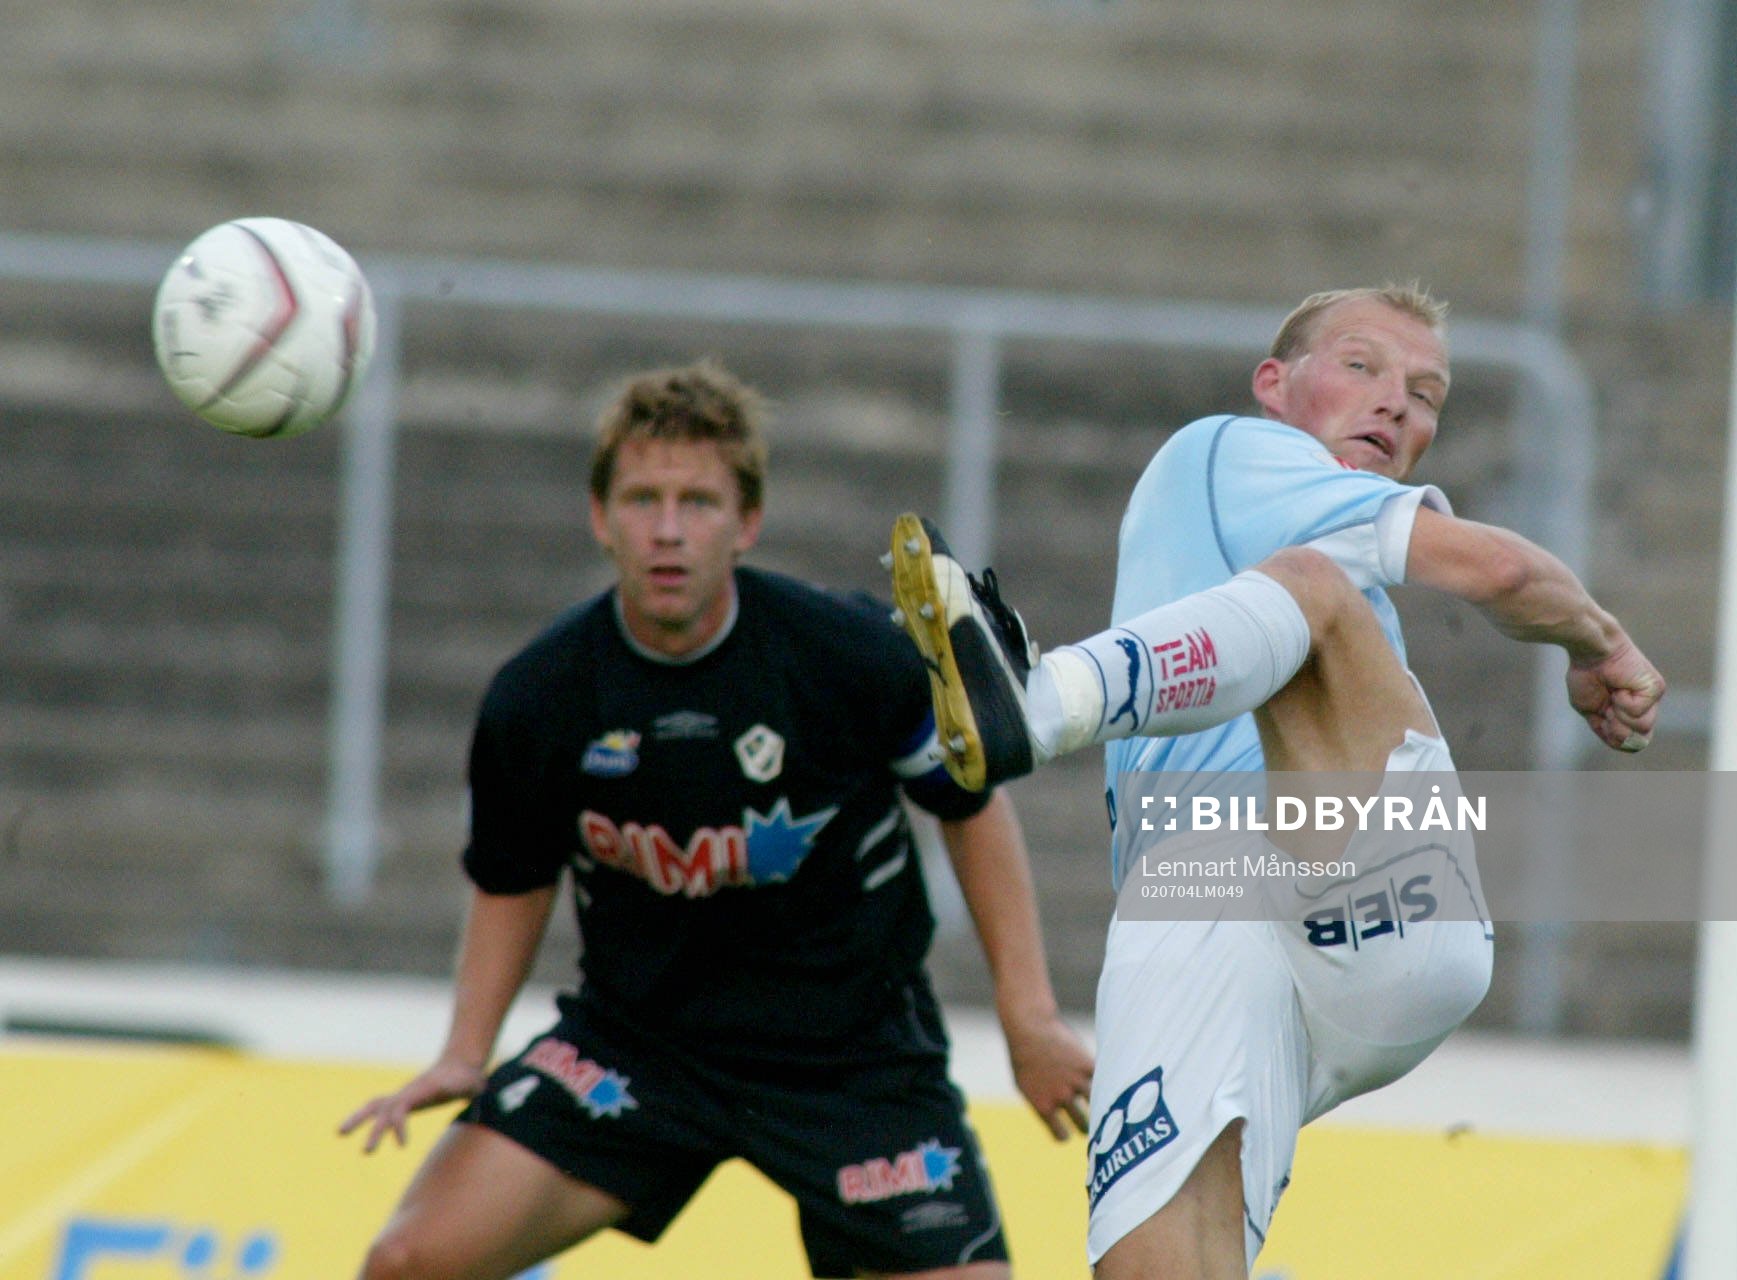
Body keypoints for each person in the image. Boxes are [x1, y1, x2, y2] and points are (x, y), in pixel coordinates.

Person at [887, 284, 1665, 1278]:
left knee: (1313, 592)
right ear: (1273, 383)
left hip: (1373, 890)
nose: (1396, 402)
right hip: (1204, 913)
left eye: (1426, 393)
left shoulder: (1305, 528)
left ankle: (1039, 705)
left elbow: (1500, 574)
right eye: (1361, 365)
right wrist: (1595, 646)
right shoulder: (1225, 446)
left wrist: (1602, 639)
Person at [340, 359, 1093, 1280]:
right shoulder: (538, 697)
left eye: (696, 502)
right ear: (599, 517)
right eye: (641, 498)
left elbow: (972, 809)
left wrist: (1029, 1020)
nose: (666, 530)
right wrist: (465, 1052)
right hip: (636, 1053)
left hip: (853, 1066)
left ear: (746, 523)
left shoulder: (843, 653)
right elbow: (513, 878)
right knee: (407, 1262)